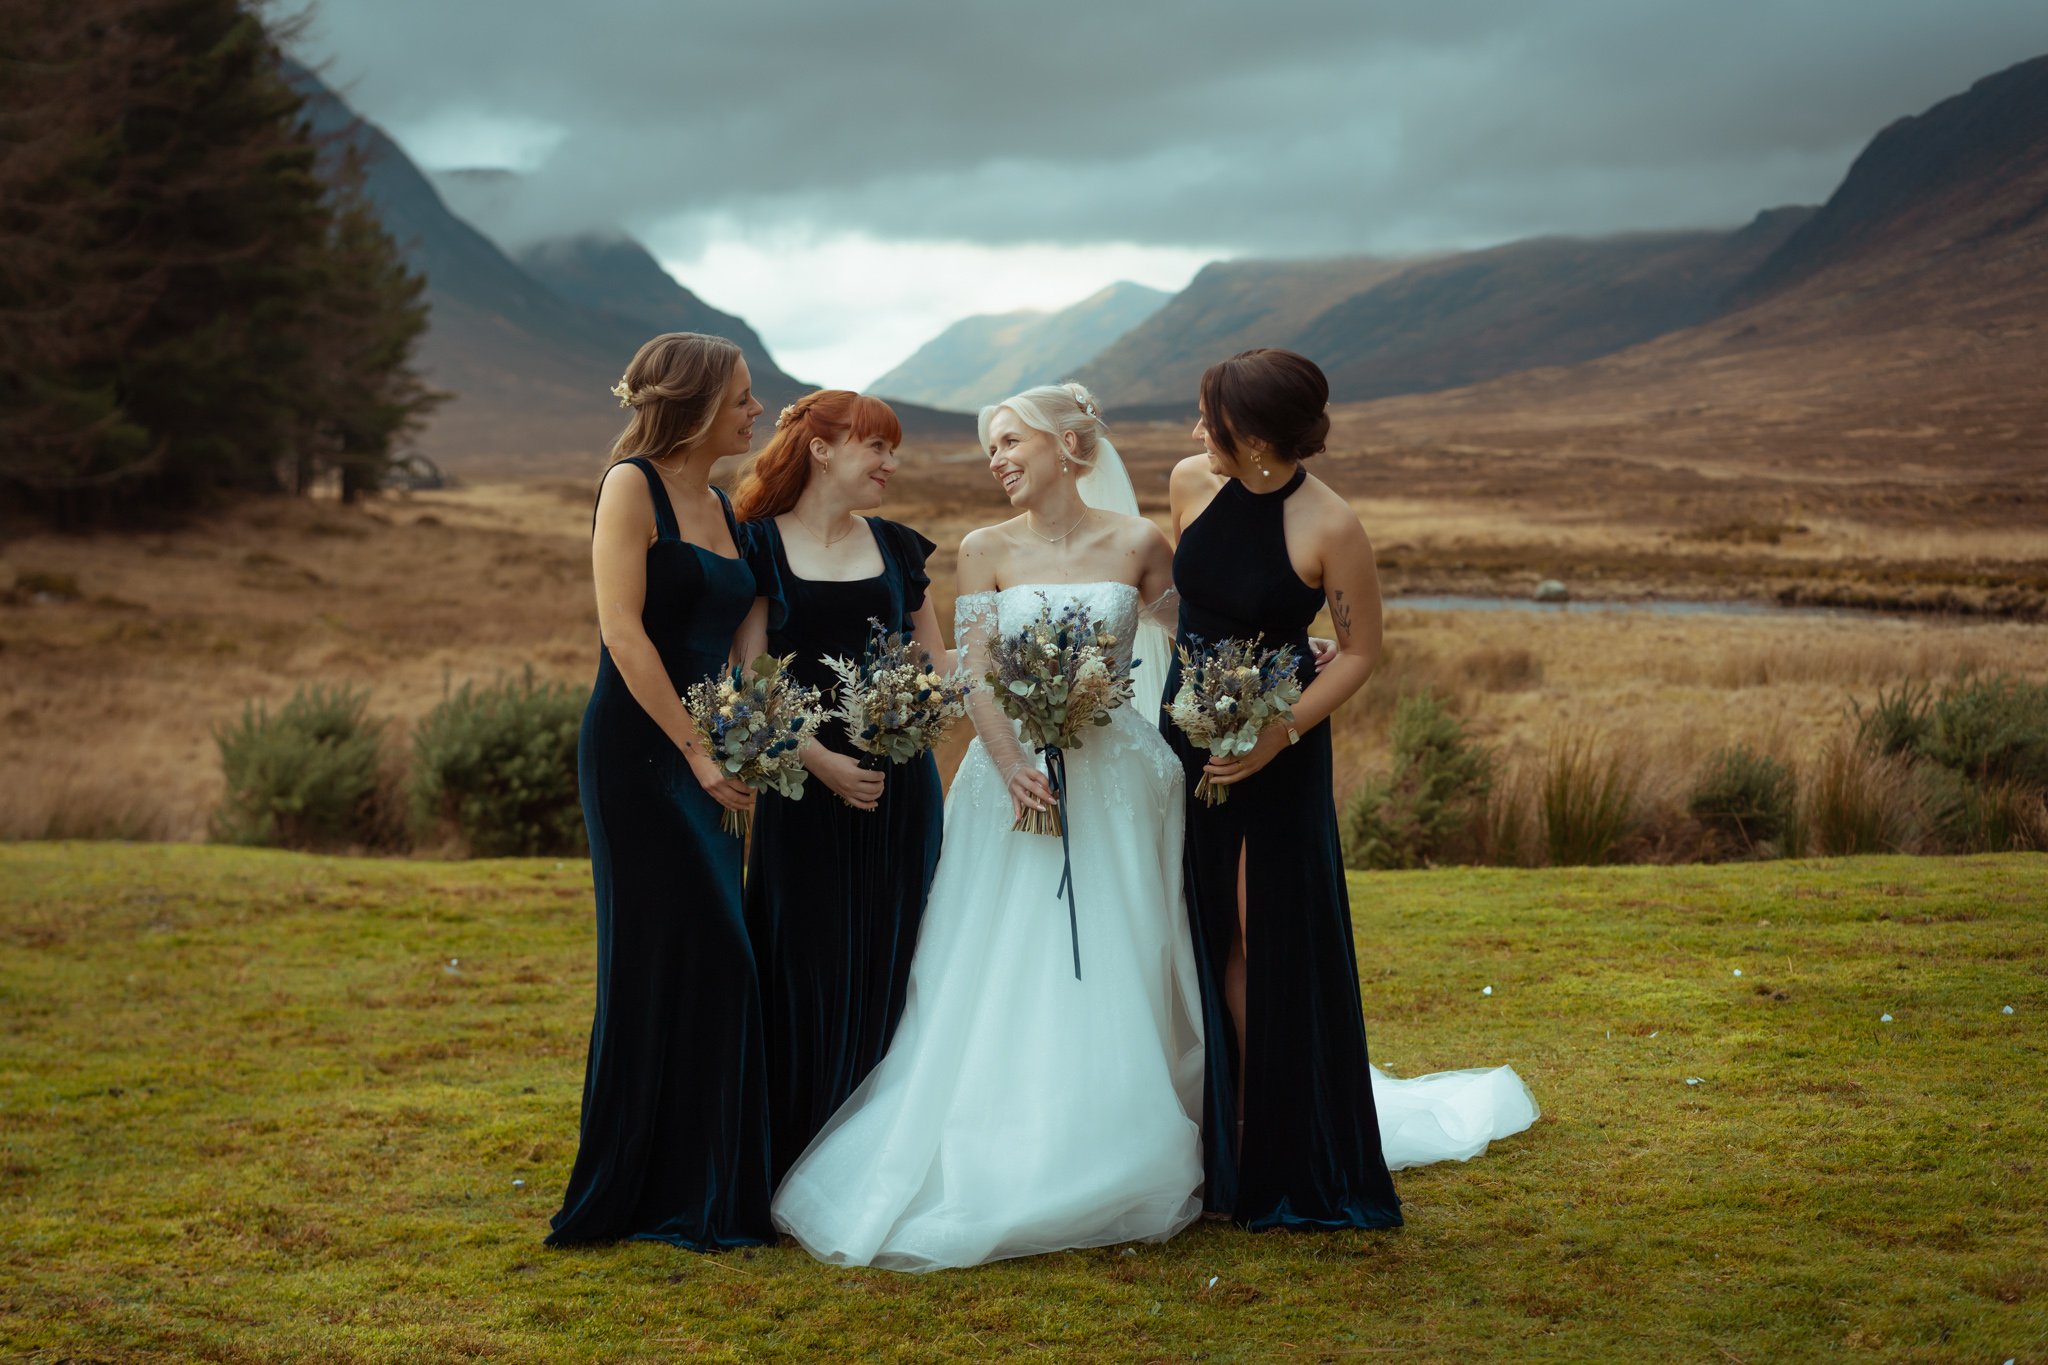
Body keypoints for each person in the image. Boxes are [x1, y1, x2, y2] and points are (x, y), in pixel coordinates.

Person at [770, 383, 1203, 1271]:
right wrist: (1010, 764)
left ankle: (1116, 1131)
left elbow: (1192, 645)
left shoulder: (1140, 543)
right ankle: (1002, 1135)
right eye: (990, 447)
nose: (998, 459)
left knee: (1124, 949)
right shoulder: (982, 549)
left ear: (1068, 445)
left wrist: (1283, 658)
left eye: (1010, 441)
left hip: (1118, 779)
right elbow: (970, 675)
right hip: (1011, 783)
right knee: (1002, 961)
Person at [1164, 347, 1536, 1231]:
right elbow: (1190, 605)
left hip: (1279, 750)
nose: (1192, 434)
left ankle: (1284, 1148)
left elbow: (1362, 649)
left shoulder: (1330, 525)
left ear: (1252, 437)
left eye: (1207, 419)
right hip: (1191, 738)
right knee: (1203, 928)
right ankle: (1224, 1133)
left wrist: (1274, 735)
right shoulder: (1189, 483)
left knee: (1269, 937)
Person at [547, 333, 779, 1250]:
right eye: (744, 397)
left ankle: (707, 1188)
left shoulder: (720, 502)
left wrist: (751, 734)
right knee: (672, 957)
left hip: (714, 751)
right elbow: (625, 635)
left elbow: (737, 634)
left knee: (717, 958)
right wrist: (696, 751)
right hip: (643, 755)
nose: (757, 411)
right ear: (693, 402)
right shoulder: (630, 487)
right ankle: (637, 1194)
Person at [729, 390, 947, 1185]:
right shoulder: (757, 546)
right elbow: (749, 674)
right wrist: (817, 758)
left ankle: (883, 1160)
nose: (891, 465)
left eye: (893, 451)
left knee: (902, 954)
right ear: (823, 450)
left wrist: (921, 715)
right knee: (805, 961)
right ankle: (800, 1157)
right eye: (877, 449)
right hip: (803, 792)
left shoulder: (896, 545)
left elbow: (937, 662)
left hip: (902, 791)